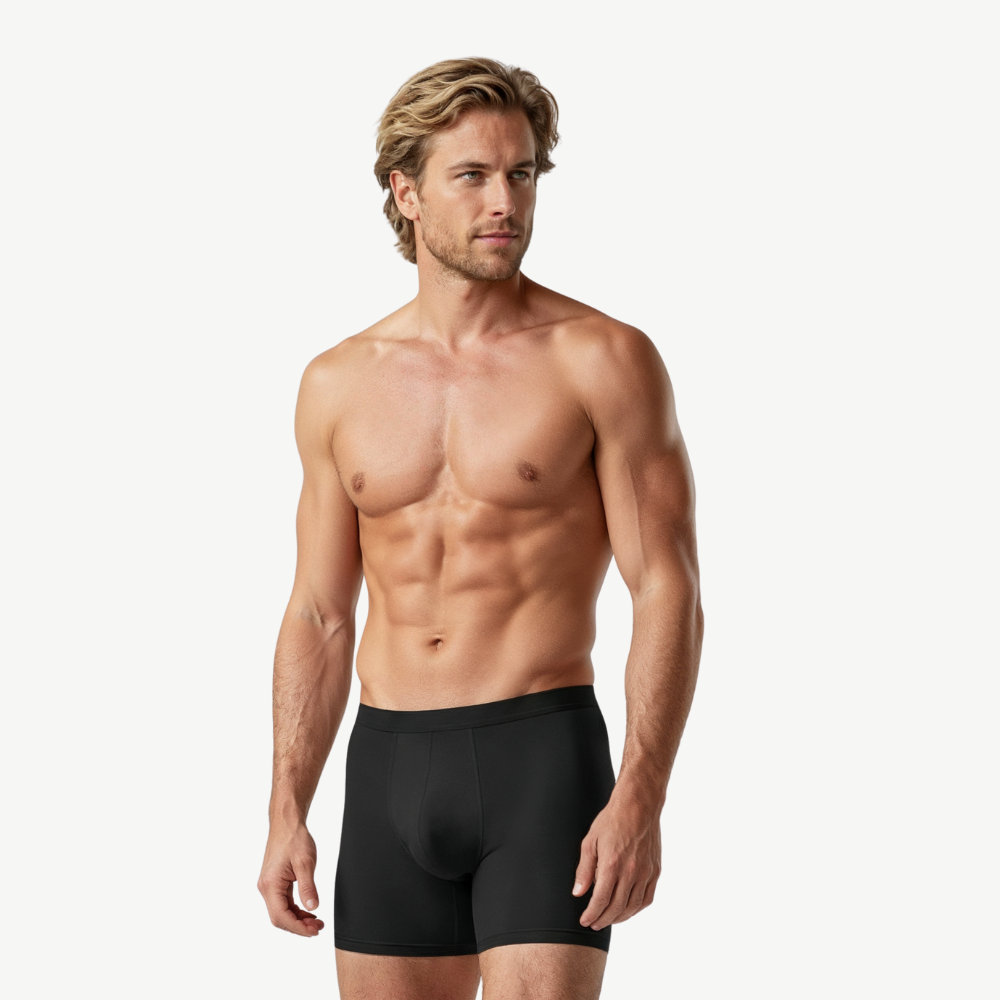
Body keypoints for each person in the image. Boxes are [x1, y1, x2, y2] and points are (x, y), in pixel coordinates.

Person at [257, 57, 704, 1000]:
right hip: (386, 766)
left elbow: (666, 585)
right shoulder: (337, 383)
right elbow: (320, 613)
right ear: (406, 192)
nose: (506, 202)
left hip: (540, 759)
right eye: (472, 176)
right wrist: (285, 804)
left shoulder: (602, 359)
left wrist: (642, 791)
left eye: (522, 173)